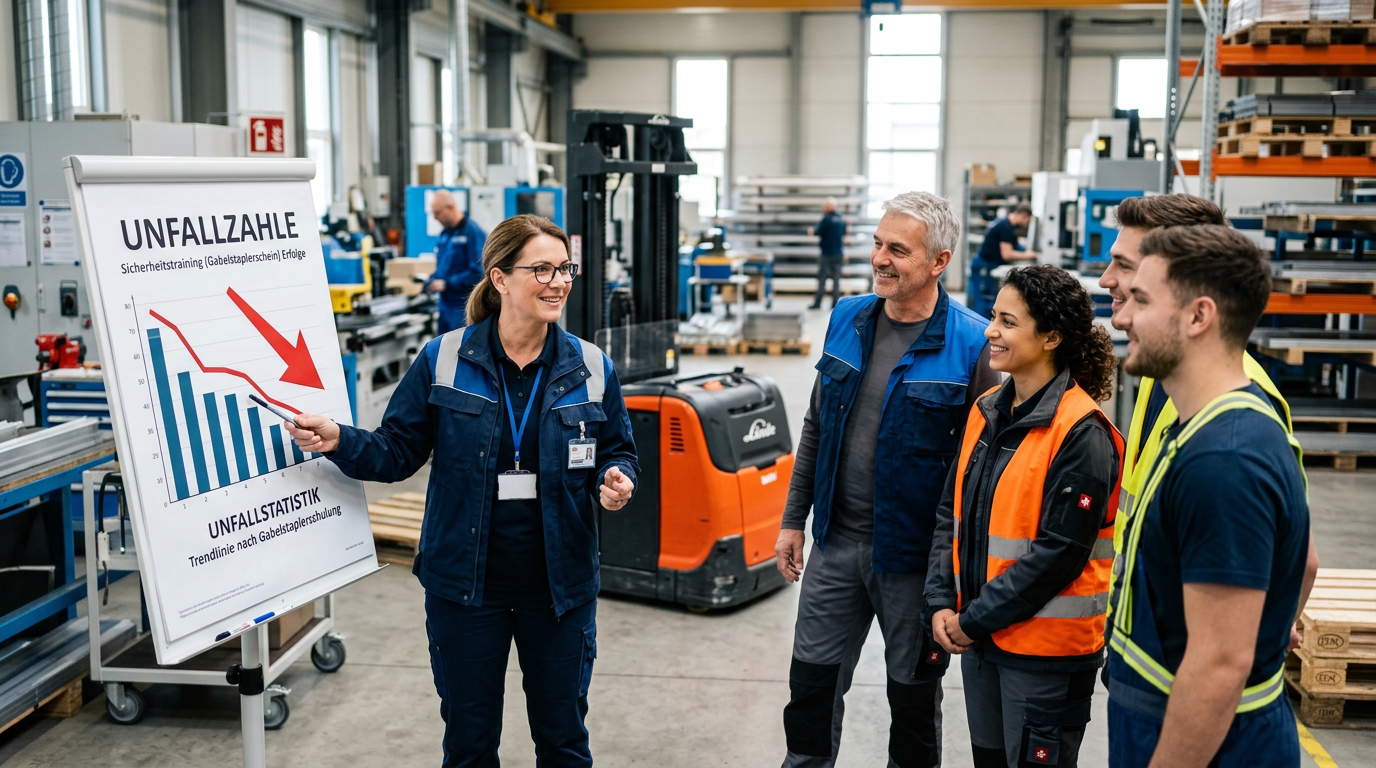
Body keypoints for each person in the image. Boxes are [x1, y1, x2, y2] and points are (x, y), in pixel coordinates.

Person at [284, 214, 639, 768]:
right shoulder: (443, 359)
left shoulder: (591, 366)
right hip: (465, 589)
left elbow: (618, 449)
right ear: (499, 278)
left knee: (565, 741)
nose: (559, 282)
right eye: (541, 269)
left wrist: (617, 480)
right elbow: (397, 451)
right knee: (469, 745)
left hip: (560, 589)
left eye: (564, 268)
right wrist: (339, 440)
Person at [774, 191, 1000, 768]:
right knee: (811, 693)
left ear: (939, 262)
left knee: (913, 705)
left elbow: (981, 472)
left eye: (898, 250)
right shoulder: (846, 318)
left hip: (915, 563)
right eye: (878, 243)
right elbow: (818, 424)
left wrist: (955, 574)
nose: (880, 258)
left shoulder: (974, 344)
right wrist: (793, 519)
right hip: (835, 547)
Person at [1106, 225, 1317, 767]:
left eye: (1141, 300)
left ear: (1199, 317)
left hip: (1214, 745)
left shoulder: (1224, 459)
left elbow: (1220, 665)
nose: (1121, 317)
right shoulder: (1199, 426)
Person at [925, 265, 1123, 768]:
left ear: (1051, 337)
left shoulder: (1083, 434)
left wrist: (970, 619)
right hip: (984, 640)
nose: (990, 330)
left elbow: (1060, 554)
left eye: (1008, 322)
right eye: (994, 317)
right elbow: (952, 510)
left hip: (1045, 657)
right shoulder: (988, 408)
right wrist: (939, 600)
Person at [425, 189, 488, 335]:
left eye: (438, 213)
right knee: (443, 352)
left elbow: (479, 272)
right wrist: (431, 281)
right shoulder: (446, 234)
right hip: (445, 307)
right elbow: (444, 268)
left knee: (460, 352)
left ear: (451, 208)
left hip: (462, 308)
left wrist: (447, 284)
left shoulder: (472, 232)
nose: (435, 218)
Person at [968, 204, 1033, 319]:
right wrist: (1027, 255)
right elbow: (1007, 254)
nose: (1026, 224)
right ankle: (980, 328)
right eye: (1027, 220)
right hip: (983, 265)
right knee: (981, 301)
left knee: (987, 299)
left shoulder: (1007, 224)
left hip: (986, 263)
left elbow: (1015, 246)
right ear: (1023, 215)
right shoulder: (1005, 228)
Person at [809, 197, 849, 310]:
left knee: (822, 279)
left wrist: (812, 231)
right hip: (838, 253)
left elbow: (818, 232)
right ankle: (835, 303)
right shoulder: (841, 219)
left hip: (826, 253)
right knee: (836, 280)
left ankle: (818, 303)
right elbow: (844, 234)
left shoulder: (826, 220)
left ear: (828, 207)